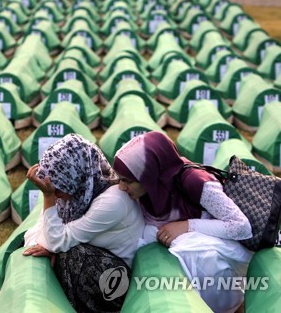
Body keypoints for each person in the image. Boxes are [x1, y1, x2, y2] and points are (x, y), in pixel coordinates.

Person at [112, 131, 253, 313]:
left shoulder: (195, 181)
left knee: (188, 248)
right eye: (119, 179)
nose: (121, 187)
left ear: (148, 175)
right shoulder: (150, 191)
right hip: (204, 244)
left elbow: (241, 227)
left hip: (228, 247)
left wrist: (187, 226)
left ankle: (233, 307)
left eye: (127, 181)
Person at [23, 133, 144, 312]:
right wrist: (51, 245)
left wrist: (47, 197)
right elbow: (36, 233)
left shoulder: (112, 202)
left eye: (57, 188)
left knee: (73, 254)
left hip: (118, 283)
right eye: (50, 188)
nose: (56, 194)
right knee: (65, 248)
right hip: (104, 265)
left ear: (75, 176)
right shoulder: (78, 194)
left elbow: (55, 241)